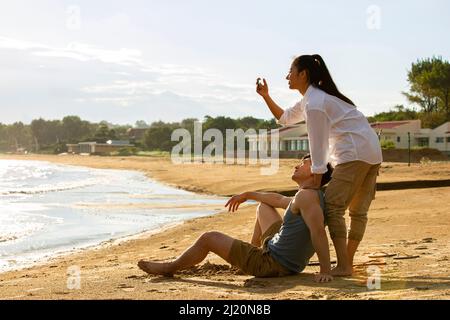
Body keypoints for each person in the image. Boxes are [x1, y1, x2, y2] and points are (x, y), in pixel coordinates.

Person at [257, 54, 382, 276]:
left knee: (333, 207)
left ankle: (343, 266)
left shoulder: (315, 102)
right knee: (358, 212)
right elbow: (285, 118)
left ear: (303, 74)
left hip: (353, 153)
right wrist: (266, 96)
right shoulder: (313, 99)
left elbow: (318, 142)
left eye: (290, 71)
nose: (287, 76)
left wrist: (316, 175)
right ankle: (347, 264)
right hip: (371, 152)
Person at [138, 155, 334, 282]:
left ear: (316, 171)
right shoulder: (310, 195)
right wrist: (247, 194)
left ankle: (169, 268)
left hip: (272, 264)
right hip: (284, 257)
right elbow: (278, 199)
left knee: (208, 238)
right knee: (264, 206)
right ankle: (250, 254)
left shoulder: (306, 197)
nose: (297, 165)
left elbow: (318, 232)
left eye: (305, 162)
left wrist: (325, 270)